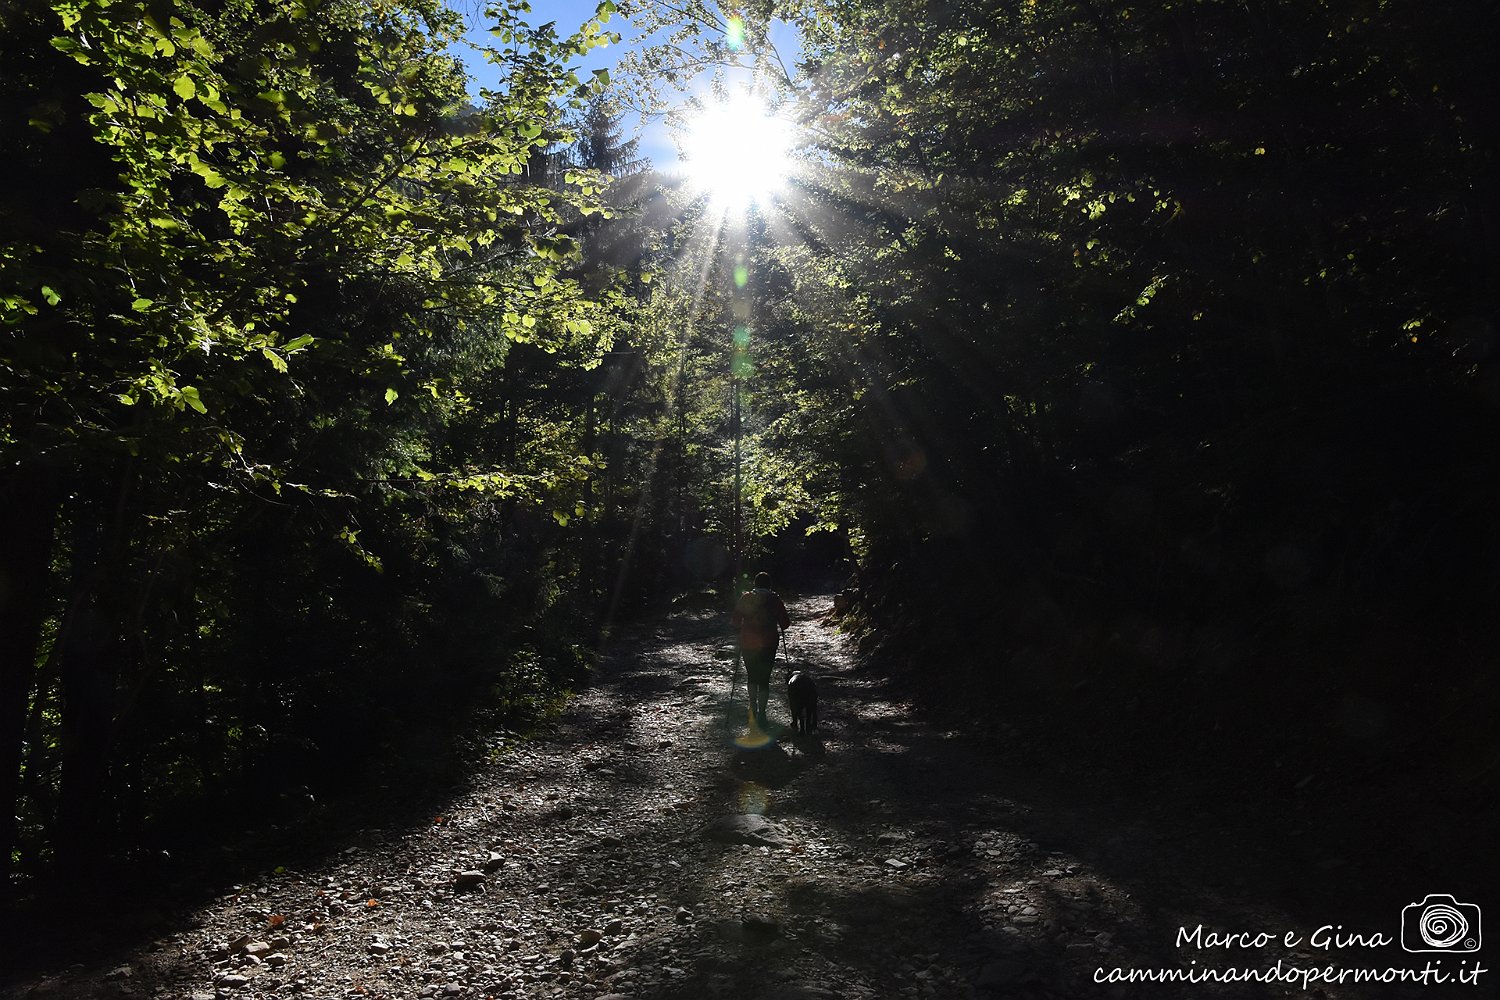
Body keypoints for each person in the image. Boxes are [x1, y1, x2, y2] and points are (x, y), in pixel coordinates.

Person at [732, 572, 790, 725]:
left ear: (755, 584)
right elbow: (785, 624)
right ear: (769, 585)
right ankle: (762, 712)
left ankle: (753, 705)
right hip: (769, 643)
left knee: (752, 675)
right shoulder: (775, 599)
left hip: (748, 643)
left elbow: (735, 621)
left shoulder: (746, 598)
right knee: (764, 678)